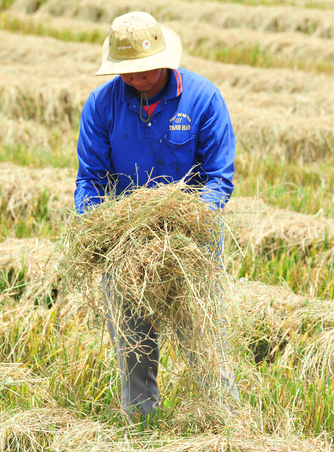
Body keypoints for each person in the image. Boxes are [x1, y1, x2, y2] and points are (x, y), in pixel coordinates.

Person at [74, 11, 237, 420]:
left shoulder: (203, 99)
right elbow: (90, 180)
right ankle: (140, 427)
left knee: (205, 342)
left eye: (144, 70)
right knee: (134, 346)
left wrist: (188, 222)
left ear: (164, 60)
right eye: (127, 72)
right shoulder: (102, 105)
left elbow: (219, 179)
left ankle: (224, 425)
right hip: (126, 246)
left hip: (191, 246)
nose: (136, 78)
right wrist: (99, 225)